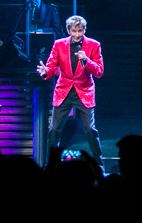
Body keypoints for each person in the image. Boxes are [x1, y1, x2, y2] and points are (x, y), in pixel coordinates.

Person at [36, 15, 104, 170]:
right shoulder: (59, 44)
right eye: (74, 31)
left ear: (84, 30)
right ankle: (51, 165)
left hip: (84, 91)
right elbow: (52, 67)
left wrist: (86, 60)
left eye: (80, 30)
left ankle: (99, 166)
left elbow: (99, 72)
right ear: (69, 30)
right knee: (54, 130)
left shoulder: (94, 45)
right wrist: (45, 71)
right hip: (64, 90)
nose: (78, 34)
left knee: (90, 130)